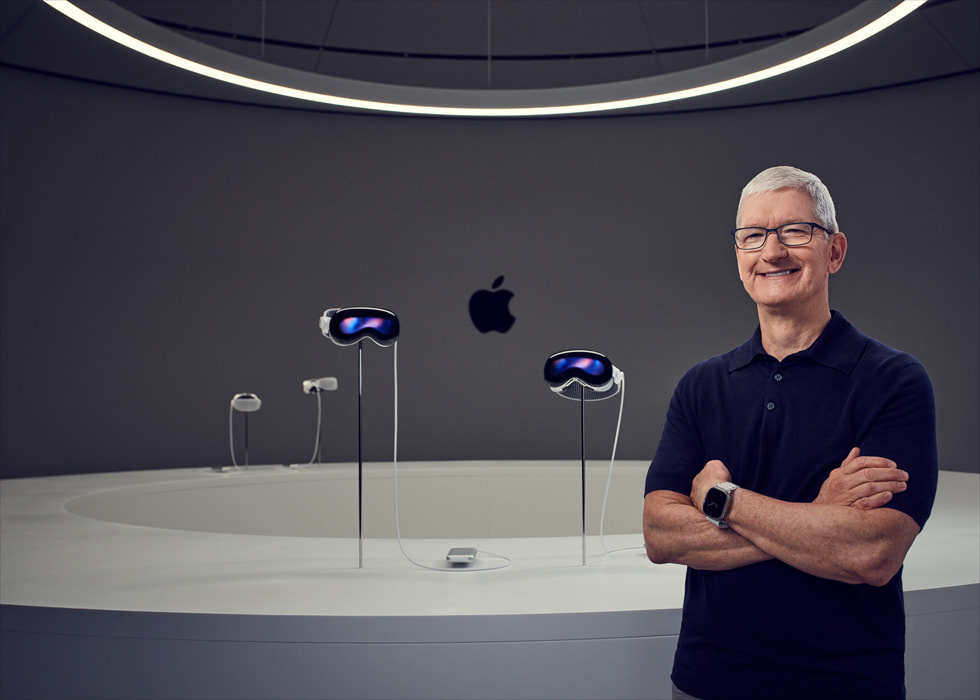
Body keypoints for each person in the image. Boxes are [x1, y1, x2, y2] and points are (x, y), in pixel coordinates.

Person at [643, 166, 938, 700]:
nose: (772, 251)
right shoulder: (701, 386)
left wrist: (721, 499)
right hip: (707, 680)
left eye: (795, 231)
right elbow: (661, 536)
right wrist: (818, 515)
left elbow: (872, 552)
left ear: (834, 251)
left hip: (845, 684)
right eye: (753, 235)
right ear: (739, 255)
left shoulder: (894, 380)